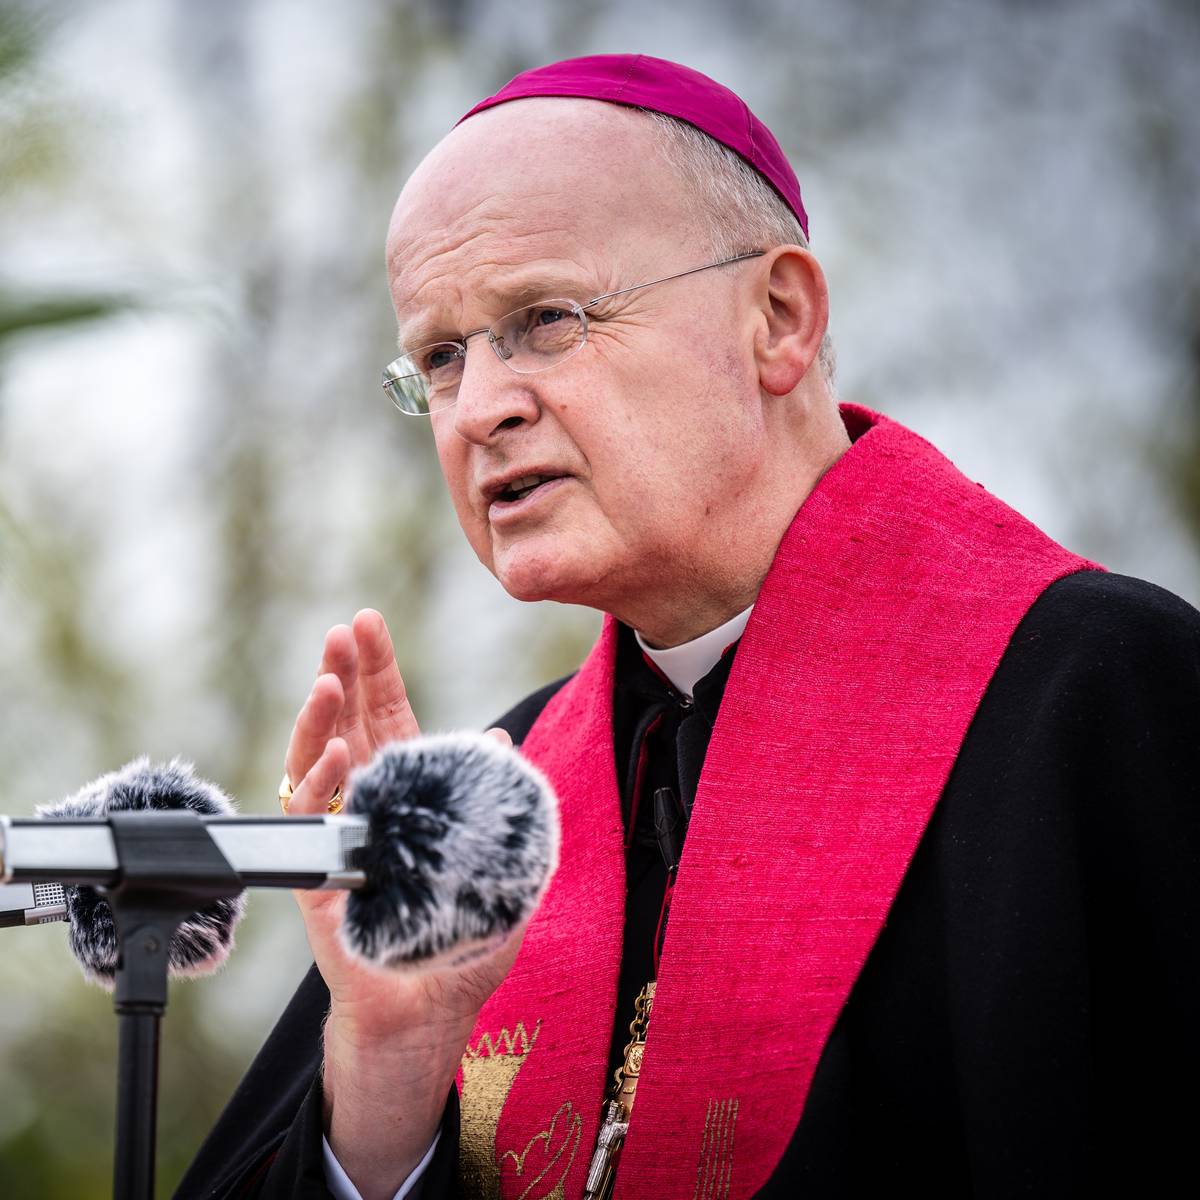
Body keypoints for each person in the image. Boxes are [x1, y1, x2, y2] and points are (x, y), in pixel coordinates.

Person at [176, 55, 1200, 1200]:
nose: (480, 411)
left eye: (546, 319)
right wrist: (390, 1079)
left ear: (779, 319)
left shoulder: (1096, 694)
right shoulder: (502, 793)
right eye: (441, 358)